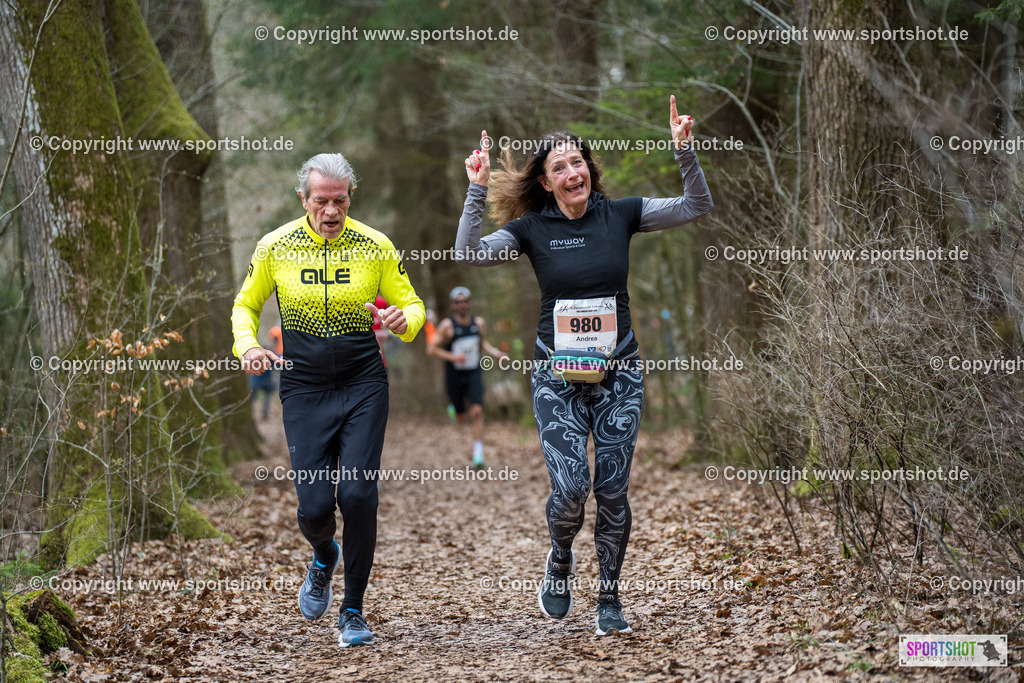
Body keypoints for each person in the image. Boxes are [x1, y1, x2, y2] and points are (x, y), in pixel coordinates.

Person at [453, 96, 712, 635]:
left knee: (612, 487)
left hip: (619, 373)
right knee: (571, 488)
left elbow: (695, 205)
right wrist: (476, 190)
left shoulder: (623, 215)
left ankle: (610, 598)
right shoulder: (531, 231)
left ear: (589, 171)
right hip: (555, 375)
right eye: (560, 167)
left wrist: (684, 151)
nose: (573, 172)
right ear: (546, 183)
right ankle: (560, 556)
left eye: (579, 163)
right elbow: (469, 254)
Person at [232, 152, 424, 649]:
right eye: (321, 201)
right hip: (303, 388)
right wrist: (248, 345)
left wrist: (406, 321)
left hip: (363, 384)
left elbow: (411, 303)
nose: (332, 211)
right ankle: (323, 555)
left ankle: (354, 611)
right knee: (315, 508)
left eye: (340, 201)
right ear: (304, 199)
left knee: (358, 497)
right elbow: (245, 304)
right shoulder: (275, 246)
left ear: (350, 198)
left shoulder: (375, 245)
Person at [426, 286, 508, 468]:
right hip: (454, 374)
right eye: (458, 302)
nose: (462, 305)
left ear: (469, 303)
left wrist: (496, 353)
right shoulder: (447, 326)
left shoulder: (478, 323)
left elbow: (482, 342)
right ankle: (455, 409)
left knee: (477, 411)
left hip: (473, 372)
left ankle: (478, 455)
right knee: (462, 417)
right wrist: (453, 357)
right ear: (453, 305)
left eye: (464, 301)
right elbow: (431, 349)